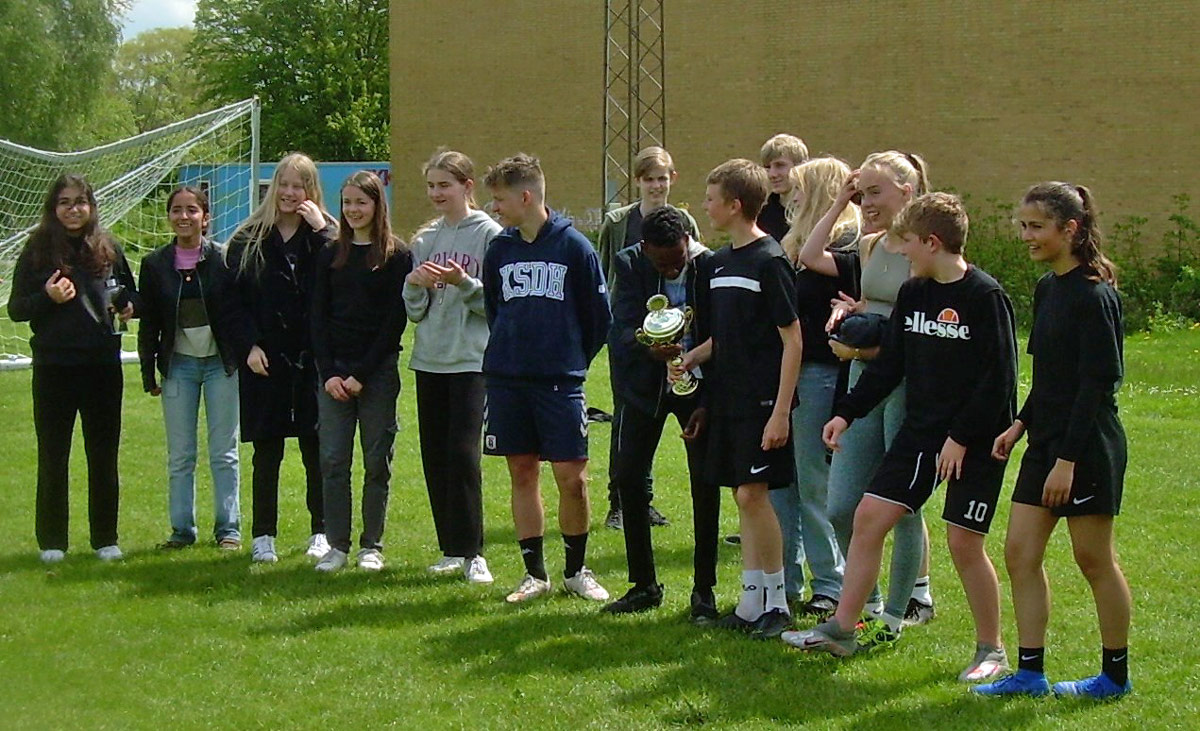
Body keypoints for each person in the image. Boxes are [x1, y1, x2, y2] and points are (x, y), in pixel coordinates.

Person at [786, 193, 1017, 685]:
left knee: (964, 543)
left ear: (932, 243)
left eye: (907, 243)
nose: (902, 252)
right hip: (922, 432)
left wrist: (960, 437)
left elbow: (999, 381)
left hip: (975, 438)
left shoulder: (984, 296)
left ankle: (992, 650)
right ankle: (842, 630)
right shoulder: (915, 294)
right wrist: (846, 413)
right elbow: (890, 364)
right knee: (868, 517)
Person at [974, 183, 1132, 700]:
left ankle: (1114, 677)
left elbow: (1095, 384)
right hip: (1045, 443)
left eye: (1037, 226)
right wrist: (1020, 424)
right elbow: (1050, 378)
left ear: (1071, 229)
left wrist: (1067, 460)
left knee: (1093, 559)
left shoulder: (1095, 295)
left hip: (1086, 446)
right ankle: (1030, 674)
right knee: (1019, 554)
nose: (1026, 236)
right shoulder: (1048, 289)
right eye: (1023, 225)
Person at [796, 151, 937, 635]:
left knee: (901, 505)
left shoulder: (926, 251)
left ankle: (904, 608)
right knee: (841, 506)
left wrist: (864, 343)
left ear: (907, 192)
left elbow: (921, 327)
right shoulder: (871, 244)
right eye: (862, 192)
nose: (867, 202)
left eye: (875, 192)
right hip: (863, 381)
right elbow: (811, 258)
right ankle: (869, 601)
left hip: (905, 382)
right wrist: (840, 201)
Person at [673, 158, 802, 639]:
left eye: (710, 199)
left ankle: (777, 601)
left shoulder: (770, 260)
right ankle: (751, 601)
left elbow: (792, 339)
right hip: (728, 398)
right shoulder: (717, 263)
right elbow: (725, 335)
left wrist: (781, 411)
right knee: (741, 495)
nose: (704, 207)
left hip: (762, 402)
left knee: (753, 494)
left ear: (734, 205)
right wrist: (692, 357)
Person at [481, 154, 613, 604]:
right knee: (522, 472)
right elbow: (496, 309)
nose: (494, 208)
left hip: (559, 382)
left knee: (572, 478)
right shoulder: (500, 249)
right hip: (507, 381)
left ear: (525, 196)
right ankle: (534, 574)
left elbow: (598, 319)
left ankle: (576, 570)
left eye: (499, 199)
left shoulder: (574, 247)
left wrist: (568, 357)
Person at [7, 173, 137, 563]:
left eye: (80, 202)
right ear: (54, 208)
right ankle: (52, 542)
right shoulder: (36, 250)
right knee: (53, 455)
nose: (73, 209)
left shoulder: (108, 247)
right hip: (54, 367)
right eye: (65, 202)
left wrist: (129, 306)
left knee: (103, 455)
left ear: (91, 206)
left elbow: (131, 296)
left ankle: (105, 539)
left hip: (102, 366)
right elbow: (16, 309)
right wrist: (47, 297)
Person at [601, 206, 720, 622]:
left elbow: (720, 331)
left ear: (688, 240)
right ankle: (643, 585)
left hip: (697, 387)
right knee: (629, 477)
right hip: (643, 388)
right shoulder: (630, 263)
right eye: (661, 264)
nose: (670, 270)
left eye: (677, 261)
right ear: (645, 248)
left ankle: (704, 589)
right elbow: (620, 327)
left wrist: (708, 399)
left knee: (705, 482)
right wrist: (647, 347)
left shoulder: (708, 265)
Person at [225, 152, 336, 564]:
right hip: (265, 359)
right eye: (284, 185)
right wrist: (248, 346)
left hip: (312, 360)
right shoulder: (248, 238)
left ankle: (321, 530)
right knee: (266, 452)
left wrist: (322, 230)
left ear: (312, 190)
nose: (290, 193)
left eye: (299, 186)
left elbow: (343, 277)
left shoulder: (325, 236)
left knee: (316, 449)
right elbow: (232, 303)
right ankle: (263, 535)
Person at [403, 149, 500, 584]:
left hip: (470, 360)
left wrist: (463, 282)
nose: (436, 193)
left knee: (463, 455)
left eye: (445, 185)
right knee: (435, 456)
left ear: (467, 186)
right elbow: (416, 312)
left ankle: (474, 552)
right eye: (431, 186)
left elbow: (492, 304)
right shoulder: (425, 239)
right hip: (430, 359)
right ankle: (450, 548)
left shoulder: (490, 235)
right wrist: (414, 284)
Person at [770, 157, 860, 617]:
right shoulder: (795, 241)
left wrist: (839, 202)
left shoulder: (846, 244)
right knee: (782, 482)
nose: (793, 195)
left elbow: (811, 260)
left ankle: (830, 581)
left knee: (813, 481)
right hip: (791, 371)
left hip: (821, 372)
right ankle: (785, 578)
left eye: (802, 188)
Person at [309, 171, 411, 572]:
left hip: (376, 374)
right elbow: (317, 317)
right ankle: (337, 545)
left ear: (377, 205)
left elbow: (393, 323)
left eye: (361, 202)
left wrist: (361, 375)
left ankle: (372, 545)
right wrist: (330, 373)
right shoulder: (329, 253)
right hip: (333, 375)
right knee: (333, 461)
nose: (353, 210)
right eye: (347, 202)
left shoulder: (396, 256)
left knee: (376, 461)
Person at [596, 146, 699, 531]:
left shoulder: (685, 221)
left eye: (662, 178)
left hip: (680, 343)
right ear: (637, 181)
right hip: (632, 334)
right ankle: (620, 502)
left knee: (683, 414)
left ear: (673, 179)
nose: (656, 186)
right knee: (629, 420)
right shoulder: (618, 222)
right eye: (649, 179)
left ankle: (649, 502)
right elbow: (606, 271)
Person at [137, 186, 242, 551]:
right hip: (178, 366)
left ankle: (228, 528)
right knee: (181, 454)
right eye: (177, 210)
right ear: (169, 217)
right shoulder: (154, 265)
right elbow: (149, 323)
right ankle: (182, 530)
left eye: (192, 210)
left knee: (224, 452)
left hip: (220, 365)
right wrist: (149, 372)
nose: (184, 216)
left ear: (205, 217)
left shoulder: (224, 259)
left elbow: (238, 313)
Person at [756, 133, 809, 243]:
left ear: (801, 166)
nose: (772, 174)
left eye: (779, 165)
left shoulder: (817, 211)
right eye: (767, 167)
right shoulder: (760, 215)